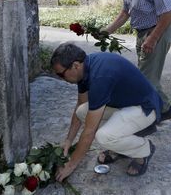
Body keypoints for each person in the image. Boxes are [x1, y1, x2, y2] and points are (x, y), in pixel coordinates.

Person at [51, 43, 160, 181]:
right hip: (125, 104)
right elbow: (81, 104)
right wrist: (68, 140)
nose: (61, 78)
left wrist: (71, 165)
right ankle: (120, 144)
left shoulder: (100, 77)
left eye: (61, 74)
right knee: (81, 112)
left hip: (145, 108)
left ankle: (143, 150)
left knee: (104, 136)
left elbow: (89, 131)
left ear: (75, 65)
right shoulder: (85, 68)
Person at [104, 0, 171, 121]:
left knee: (145, 79)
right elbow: (125, 12)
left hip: (158, 30)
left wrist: (152, 38)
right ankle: (163, 109)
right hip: (144, 32)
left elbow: (169, 11)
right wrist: (105, 31)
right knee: (146, 76)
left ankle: (155, 113)